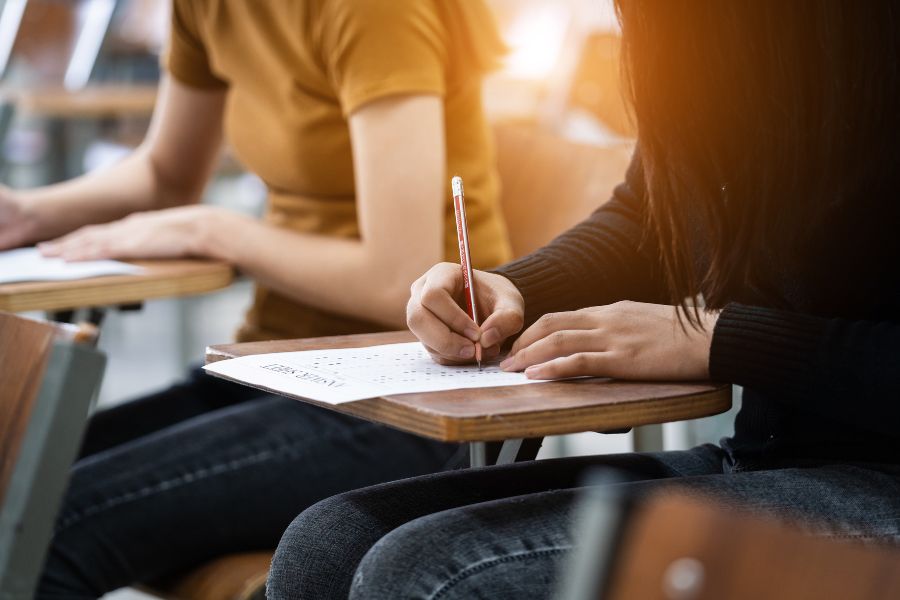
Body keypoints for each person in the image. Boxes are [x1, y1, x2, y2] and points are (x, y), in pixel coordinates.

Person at [266, 1, 900, 598]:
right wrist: (514, 290)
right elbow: (653, 220)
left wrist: (717, 339)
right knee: (328, 543)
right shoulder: (709, 42)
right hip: (773, 460)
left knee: (430, 575)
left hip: (880, 483)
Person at [22, 0, 512, 596]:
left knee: (48, 519)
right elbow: (167, 173)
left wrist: (213, 229)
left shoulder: (375, 12)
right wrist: (24, 211)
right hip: (275, 365)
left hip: (403, 393)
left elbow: (396, 280)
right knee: (18, 479)